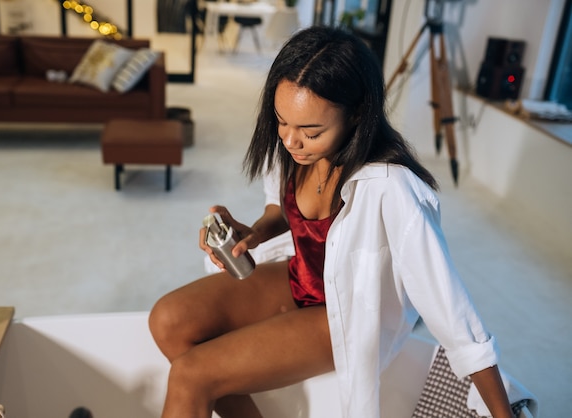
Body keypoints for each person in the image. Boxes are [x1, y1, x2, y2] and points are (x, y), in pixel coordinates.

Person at [149, 26, 514, 418]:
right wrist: (252, 232)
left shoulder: (391, 189)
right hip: (299, 279)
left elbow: (452, 310)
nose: (290, 140)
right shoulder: (294, 149)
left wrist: (501, 412)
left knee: (190, 375)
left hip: (345, 313)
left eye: (310, 130)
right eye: (280, 120)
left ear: (357, 113)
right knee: (167, 321)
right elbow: (279, 209)